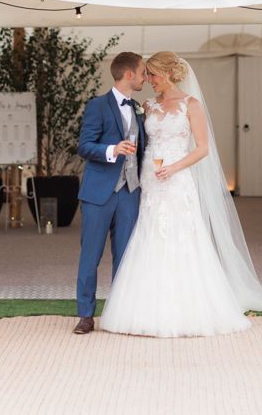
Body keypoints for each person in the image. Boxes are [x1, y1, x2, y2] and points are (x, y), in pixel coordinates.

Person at [100, 51, 262, 338]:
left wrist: (175, 168)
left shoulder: (191, 105)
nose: (148, 80)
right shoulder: (148, 106)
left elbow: (202, 148)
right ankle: (145, 307)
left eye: (152, 74)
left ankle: (188, 308)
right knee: (150, 234)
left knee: (182, 236)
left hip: (178, 180)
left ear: (166, 74)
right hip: (151, 180)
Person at [73, 52, 147, 335]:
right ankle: (85, 315)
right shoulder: (97, 106)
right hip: (98, 193)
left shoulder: (139, 107)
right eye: (142, 73)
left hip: (130, 192)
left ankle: (119, 313)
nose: (144, 78)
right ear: (129, 74)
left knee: (125, 257)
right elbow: (84, 145)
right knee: (90, 256)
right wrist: (112, 150)